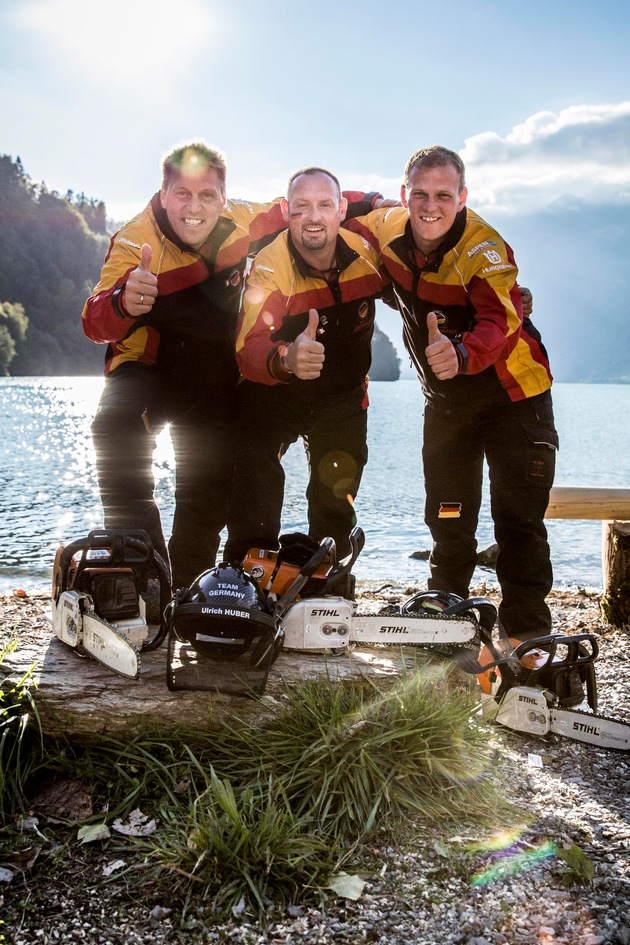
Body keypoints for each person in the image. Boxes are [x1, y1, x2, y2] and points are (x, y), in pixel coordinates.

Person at [82, 142, 384, 589]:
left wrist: (381, 203)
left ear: (223, 198)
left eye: (207, 196)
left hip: (215, 373)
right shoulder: (133, 241)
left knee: (208, 485)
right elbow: (94, 322)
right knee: (114, 427)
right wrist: (124, 301)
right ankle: (138, 565)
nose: (194, 207)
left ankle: (185, 586)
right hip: (147, 366)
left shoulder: (244, 220)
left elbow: (307, 205)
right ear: (163, 195)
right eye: (182, 194)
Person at [346, 146, 558, 639]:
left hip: (516, 399)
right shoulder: (385, 227)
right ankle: (444, 624)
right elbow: (337, 205)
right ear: (402, 195)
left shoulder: (483, 248)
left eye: (444, 195)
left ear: (462, 198)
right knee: (447, 518)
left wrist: (463, 355)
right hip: (446, 404)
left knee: (520, 525)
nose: (430, 206)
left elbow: (502, 318)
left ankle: (528, 641)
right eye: (419, 194)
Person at [223, 167, 385, 564]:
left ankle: (331, 590)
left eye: (325, 205)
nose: (314, 217)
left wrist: (513, 295)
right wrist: (287, 359)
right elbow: (248, 347)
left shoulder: (368, 254)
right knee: (255, 486)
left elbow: (415, 282)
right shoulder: (269, 265)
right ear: (286, 211)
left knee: (335, 507)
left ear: (342, 209)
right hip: (275, 395)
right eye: (301, 208)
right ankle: (247, 579)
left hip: (343, 399)